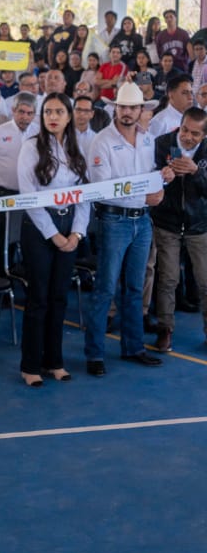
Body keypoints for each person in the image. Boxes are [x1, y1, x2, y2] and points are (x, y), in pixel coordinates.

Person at [85, 82, 173, 375]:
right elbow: (101, 189)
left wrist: (161, 180)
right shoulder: (101, 141)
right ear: (116, 109)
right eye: (122, 107)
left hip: (141, 219)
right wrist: (147, 194)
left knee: (134, 288)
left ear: (140, 110)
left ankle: (132, 348)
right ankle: (95, 354)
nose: (127, 112)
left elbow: (146, 177)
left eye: (132, 107)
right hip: (115, 220)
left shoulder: (148, 141)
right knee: (106, 288)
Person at [15, 92, 89, 387]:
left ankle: (54, 361)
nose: (53, 117)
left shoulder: (76, 147)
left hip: (69, 224)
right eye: (47, 112)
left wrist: (77, 232)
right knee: (39, 298)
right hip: (38, 227)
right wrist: (55, 235)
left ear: (69, 116)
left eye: (59, 111)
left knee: (60, 297)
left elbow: (86, 194)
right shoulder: (30, 147)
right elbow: (28, 197)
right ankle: (30, 365)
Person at [151, 107, 207, 353]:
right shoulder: (162, 143)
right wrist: (162, 177)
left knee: (205, 282)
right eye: (185, 129)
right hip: (167, 222)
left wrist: (197, 172)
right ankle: (165, 329)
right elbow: (148, 178)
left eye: (195, 133)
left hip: (199, 224)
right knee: (168, 279)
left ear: (203, 136)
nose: (187, 137)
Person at [0, 93, 37, 196]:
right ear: (13, 110)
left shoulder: (40, 133)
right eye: (21, 112)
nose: (25, 117)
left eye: (29, 113)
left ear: (34, 114)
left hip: (33, 193)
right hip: (4, 193)